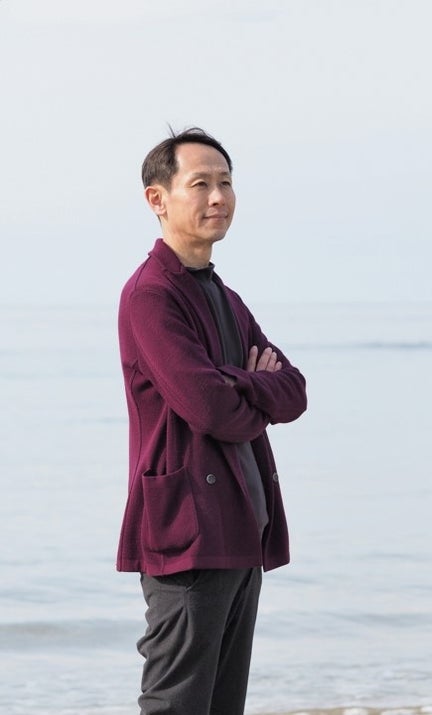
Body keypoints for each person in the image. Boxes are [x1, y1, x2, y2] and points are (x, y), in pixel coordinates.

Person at [116, 127, 307, 715]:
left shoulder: (224, 296)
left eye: (226, 182)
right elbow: (210, 409)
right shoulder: (150, 295)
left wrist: (239, 382)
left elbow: (294, 392)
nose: (218, 196)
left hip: (243, 529)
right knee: (175, 706)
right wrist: (245, 385)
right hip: (188, 537)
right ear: (157, 199)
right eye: (200, 184)